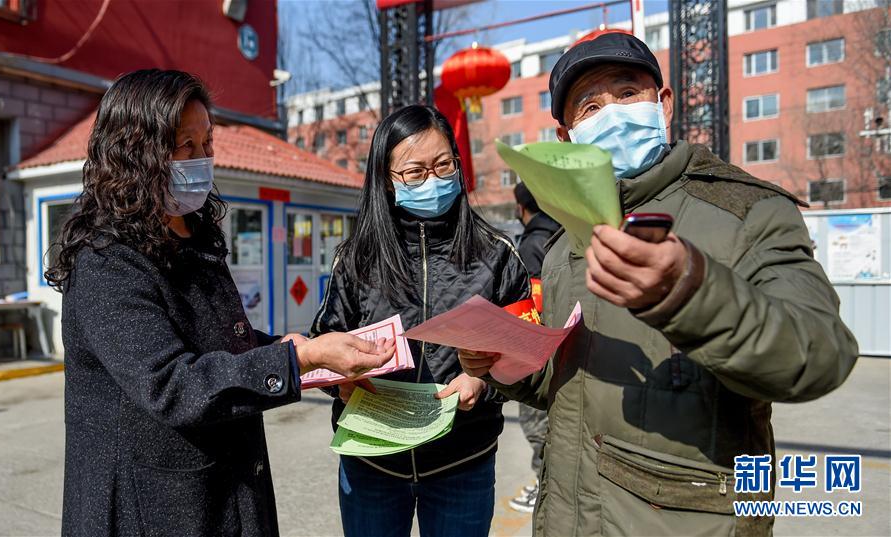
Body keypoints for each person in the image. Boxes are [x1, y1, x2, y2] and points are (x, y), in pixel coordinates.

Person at [459, 31, 859, 536]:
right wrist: (505, 365)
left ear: (663, 104)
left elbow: (819, 354)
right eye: (589, 108)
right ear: (565, 138)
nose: (612, 115)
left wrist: (690, 291)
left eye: (627, 94)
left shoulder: (748, 211)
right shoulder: (566, 245)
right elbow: (568, 383)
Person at [47, 69, 395, 537]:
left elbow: (226, 345)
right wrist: (295, 359)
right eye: (183, 146)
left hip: (224, 492)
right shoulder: (106, 260)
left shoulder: (193, 232)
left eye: (207, 143)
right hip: (147, 509)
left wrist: (314, 364)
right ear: (134, 151)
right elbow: (172, 384)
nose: (200, 160)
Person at [311, 104, 530, 537]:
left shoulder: (497, 253)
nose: (433, 180)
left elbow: (524, 353)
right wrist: (340, 378)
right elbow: (324, 340)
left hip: (462, 459)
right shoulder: (357, 258)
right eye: (415, 172)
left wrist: (484, 382)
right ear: (388, 183)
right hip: (372, 463)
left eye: (443, 165)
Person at [509, 182, 559, 513]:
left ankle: (547, 489)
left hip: (536, 353)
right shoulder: (562, 234)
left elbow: (531, 305)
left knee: (537, 427)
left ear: (521, 207)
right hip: (564, 346)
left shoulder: (531, 245)